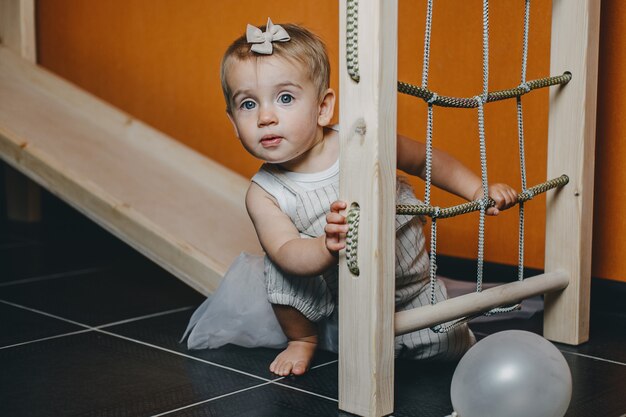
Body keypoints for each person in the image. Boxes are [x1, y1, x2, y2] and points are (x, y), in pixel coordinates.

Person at [185, 18, 518, 377]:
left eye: (284, 98)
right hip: (333, 294)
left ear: (323, 107)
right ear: (233, 123)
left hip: (407, 281)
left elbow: (424, 159)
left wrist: (478, 190)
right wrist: (325, 247)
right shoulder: (265, 192)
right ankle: (303, 338)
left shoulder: (361, 140)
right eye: (248, 104)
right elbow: (286, 251)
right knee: (278, 272)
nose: (266, 117)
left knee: (447, 346)